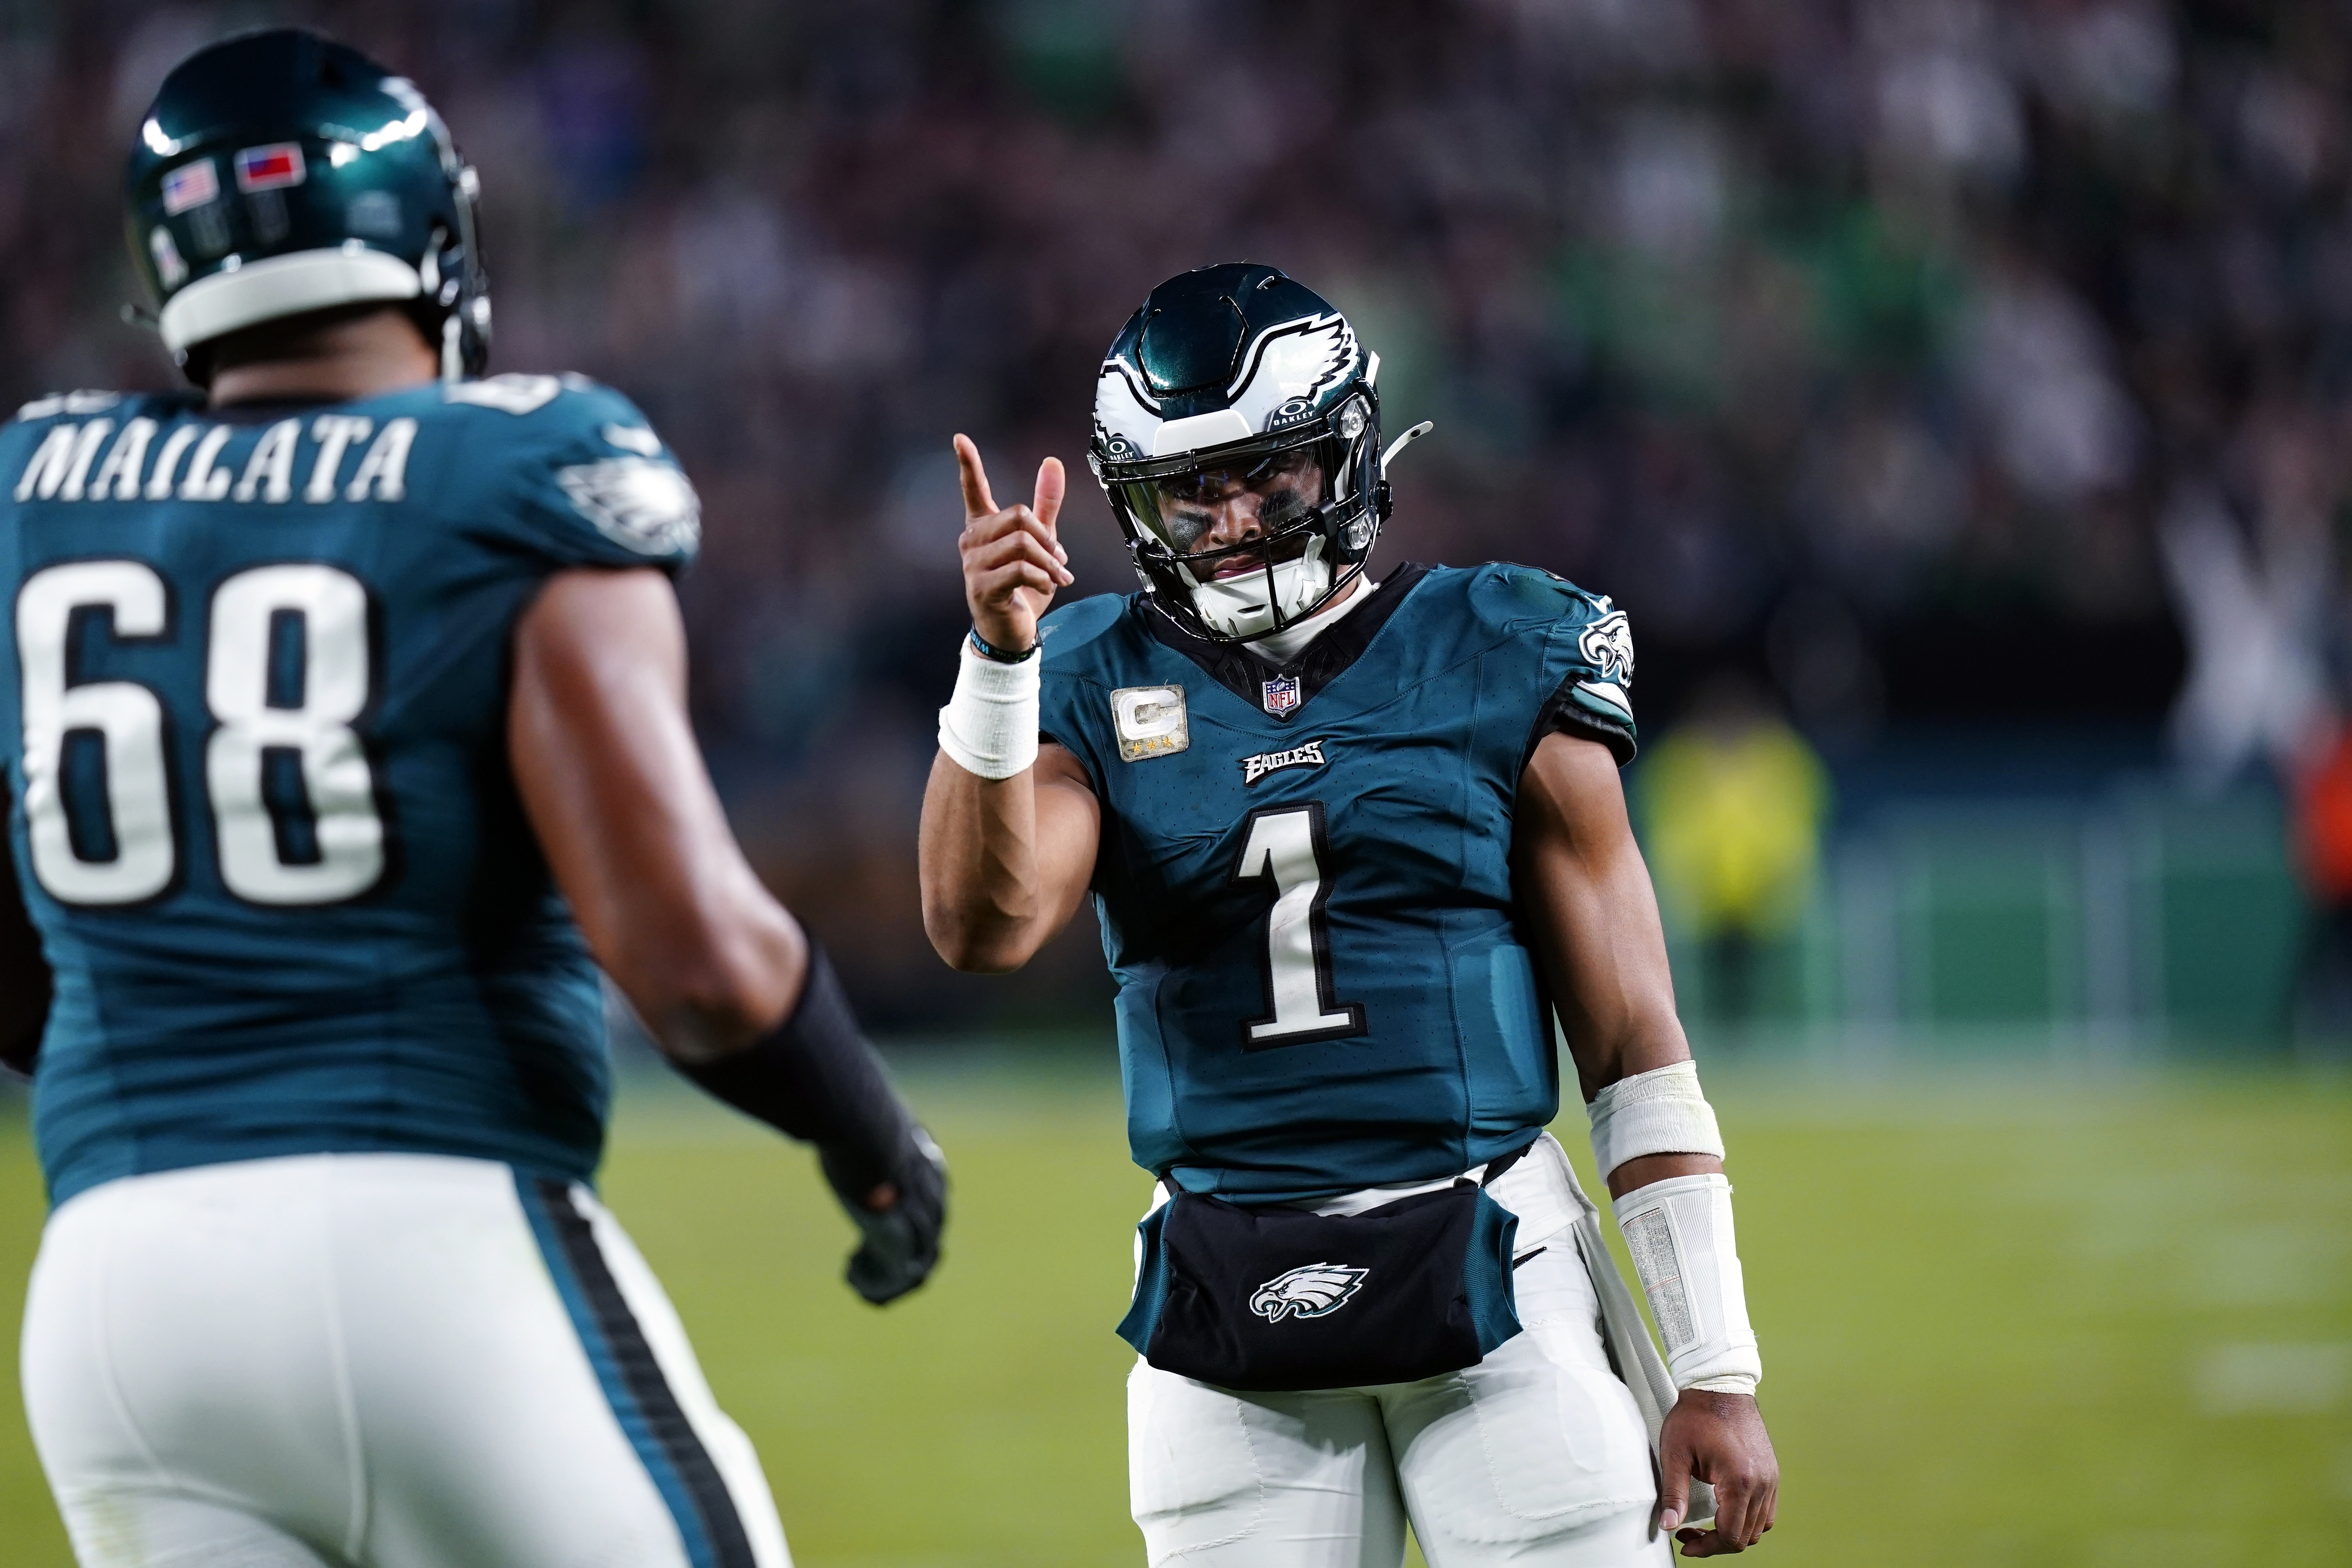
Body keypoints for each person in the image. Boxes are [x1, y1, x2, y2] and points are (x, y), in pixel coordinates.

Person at [0, 30, 943, 1568]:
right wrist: (868, 1131)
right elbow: (694, 959)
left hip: (115, 1300)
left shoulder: (35, 490)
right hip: (421, 1239)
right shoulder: (523, 461)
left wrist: (182, 1089)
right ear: (431, 247)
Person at [920, 264, 1777, 1565]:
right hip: (1224, 1288)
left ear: (1349, 449)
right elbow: (982, 926)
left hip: (1496, 1262)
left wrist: (1713, 1360)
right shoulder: (1087, 673)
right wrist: (995, 661)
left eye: (1269, 473)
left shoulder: (1498, 644)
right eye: (1189, 492)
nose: (1232, 521)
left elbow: (1630, 1040)